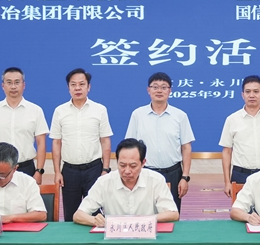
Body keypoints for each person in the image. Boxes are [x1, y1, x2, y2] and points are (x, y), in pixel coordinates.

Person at [49, 68, 113, 222]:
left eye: (82, 84)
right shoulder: (59, 111)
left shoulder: (100, 110)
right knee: (71, 214)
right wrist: (57, 172)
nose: (77, 88)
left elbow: (105, 141)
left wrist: (105, 169)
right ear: (68, 87)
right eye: (73, 85)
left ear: (88, 87)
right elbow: (56, 143)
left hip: (94, 169)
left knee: (96, 213)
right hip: (69, 171)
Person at [125, 72, 194, 212]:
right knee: (144, 213)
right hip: (145, 173)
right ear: (148, 90)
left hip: (173, 173)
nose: (159, 90)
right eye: (155, 87)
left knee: (171, 213)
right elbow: (130, 145)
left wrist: (185, 177)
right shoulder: (138, 114)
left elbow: (186, 147)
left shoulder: (180, 116)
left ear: (170, 91)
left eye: (164, 87)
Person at [73, 138, 179, 226]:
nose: (127, 171)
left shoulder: (156, 180)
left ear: (143, 163)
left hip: (146, 236)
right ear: (117, 161)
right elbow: (78, 215)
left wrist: (145, 220)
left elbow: (173, 214)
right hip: (115, 238)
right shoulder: (104, 182)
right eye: (122, 165)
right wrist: (95, 221)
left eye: (133, 166)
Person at [0, 67, 49, 184]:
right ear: (3, 86)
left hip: (26, 168)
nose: (13, 86)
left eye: (17, 82)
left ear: (23, 85)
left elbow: (41, 143)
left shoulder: (36, 110)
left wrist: (39, 171)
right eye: (9, 82)